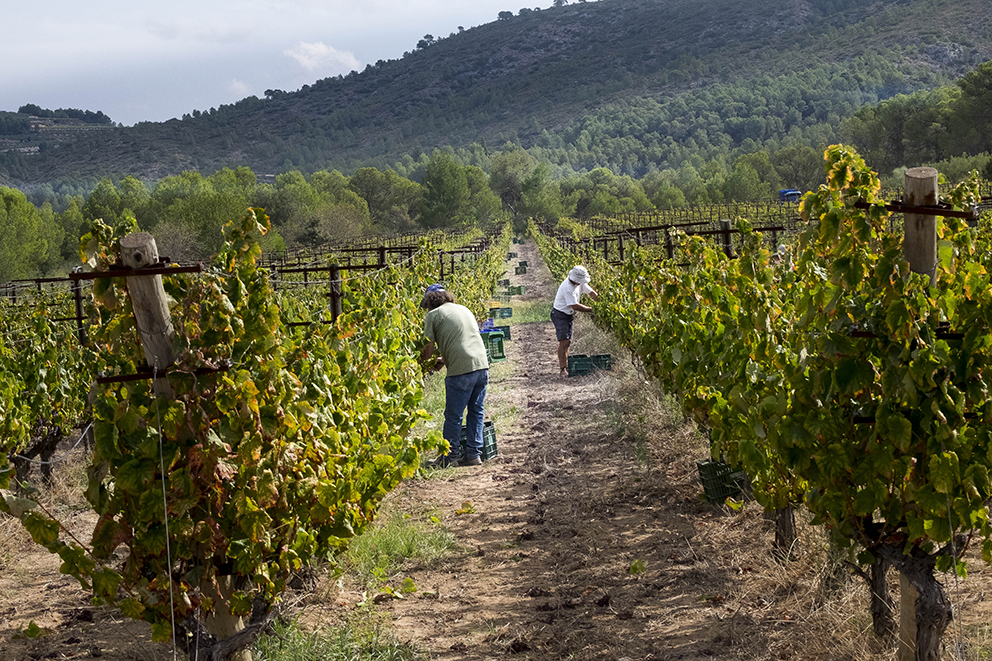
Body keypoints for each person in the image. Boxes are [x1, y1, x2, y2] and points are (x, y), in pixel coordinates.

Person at [421, 284, 490, 467]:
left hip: (461, 370)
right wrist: (444, 359)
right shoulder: (463, 309)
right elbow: (463, 340)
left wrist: (422, 367)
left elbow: (427, 349)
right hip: (481, 364)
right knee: (476, 411)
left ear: (430, 301)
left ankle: (449, 457)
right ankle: (473, 455)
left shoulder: (433, 315)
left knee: (454, 415)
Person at [551, 265, 599, 377]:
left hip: (568, 315)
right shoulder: (568, 287)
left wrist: (601, 302)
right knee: (564, 341)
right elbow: (574, 305)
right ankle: (562, 369)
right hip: (560, 314)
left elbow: (592, 293)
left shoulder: (579, 283)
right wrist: (593, 310)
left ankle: (566, 366)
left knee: (568, 342)